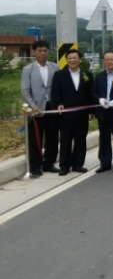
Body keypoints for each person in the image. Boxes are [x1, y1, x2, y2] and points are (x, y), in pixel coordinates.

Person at [20, 40, 61, 177]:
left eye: (45, 51)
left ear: (48, 52)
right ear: (34, 52)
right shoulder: (28, 69)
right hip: (36, 109)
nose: (43, 53)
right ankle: (35, 167)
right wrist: (33, 106)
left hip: (52, 107)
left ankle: (49, 163)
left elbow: (59, 88)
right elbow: (25, 90)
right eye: (40, 51)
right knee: (35, 139)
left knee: (52, 137)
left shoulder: (55, 67)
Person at [51, 49, 94, 176]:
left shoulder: (87, 75)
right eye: (69, 58)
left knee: (81, 140)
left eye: (75, 58)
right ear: (66, 60)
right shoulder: (59, 75)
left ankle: (78, 164)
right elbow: (55, 93)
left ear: (80, 60)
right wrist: (58, 104)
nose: (72, 60)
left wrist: (91, 110)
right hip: (65, 114)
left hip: (82, 113)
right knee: (65, 140)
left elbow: (91, 93)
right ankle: (64, 166)